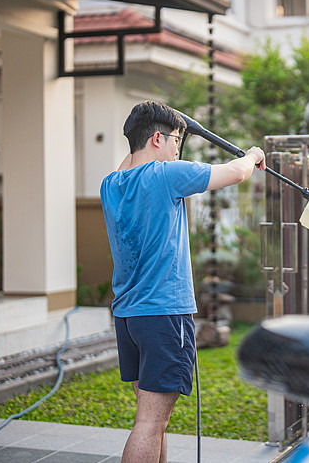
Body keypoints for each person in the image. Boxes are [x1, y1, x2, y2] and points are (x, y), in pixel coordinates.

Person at [100, 100, 265, 463]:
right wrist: (253, 155)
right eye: (176, 139)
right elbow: (236, 173)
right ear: (157, 139)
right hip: (164, 315)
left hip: (129, 318)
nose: (178, 148)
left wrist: (159, 125)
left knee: (152, 419)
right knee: (150, 422)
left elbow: (132, 156)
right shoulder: (166, 176)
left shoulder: (111, 184)